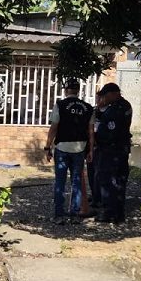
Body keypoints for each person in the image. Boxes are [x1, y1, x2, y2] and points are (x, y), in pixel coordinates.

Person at [45, 79, 94, 224]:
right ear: (78, 91)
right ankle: (74, 215)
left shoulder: (60, 105)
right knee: (76, 182)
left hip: (62, 148)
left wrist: (47, 147)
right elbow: (91, 132)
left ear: (66, 90)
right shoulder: (88, 108)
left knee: (60, 181)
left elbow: (54, 128)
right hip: (80, 149)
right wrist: (90, 150)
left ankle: (59, 215)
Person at [94, 83, 133, 223]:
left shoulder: (116, 110)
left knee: (107, 180)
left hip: (111, 150)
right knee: (120, 181)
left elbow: (108, 132)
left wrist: (95, 140)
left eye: (106, 95)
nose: (104, 98)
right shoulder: (125, 105)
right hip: (122, 148)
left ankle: (109, 212)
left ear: (113, 93)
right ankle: (118, 213)